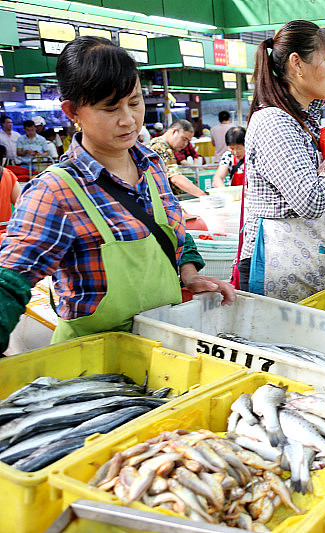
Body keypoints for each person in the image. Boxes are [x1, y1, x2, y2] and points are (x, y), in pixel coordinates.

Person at [0, 36, 234, 352]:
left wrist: (190, 274)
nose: (128, 120)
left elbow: (172, 231)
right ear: (72, 111)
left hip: (163, 345)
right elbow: (10, 281)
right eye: (110, 107)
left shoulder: (151, 165)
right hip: (93, 362)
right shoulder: (55, 192)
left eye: (134, 102)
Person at [237, 20, 325, 303]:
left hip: (304, 263)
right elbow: (309, 200)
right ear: (297, 63)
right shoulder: (274, 122)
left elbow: (295, 195)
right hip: (276, 267)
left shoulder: (301, 122)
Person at [148, 120, 206, 197]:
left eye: (188, 141)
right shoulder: (159, 147)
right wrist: (203, 196)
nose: (185, 144)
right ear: (174, 131)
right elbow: (175, 178)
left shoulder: (162, 145)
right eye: (184, 139)